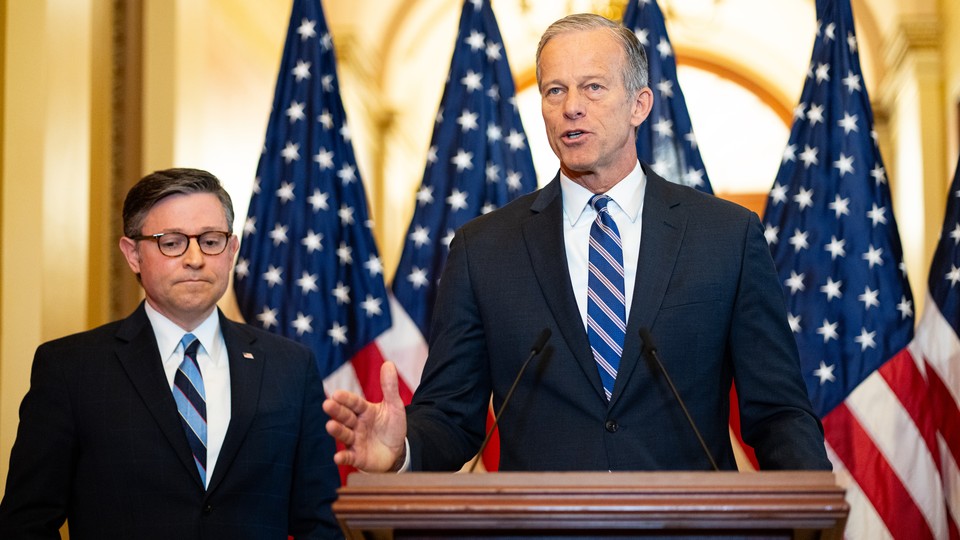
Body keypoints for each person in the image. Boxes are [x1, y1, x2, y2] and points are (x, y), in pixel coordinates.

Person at [324, 13, 831, 473]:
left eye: (592, 88)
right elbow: (452, 416)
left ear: (640, 105)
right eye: (554, 91)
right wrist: (403, 448)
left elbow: (778, 411)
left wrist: (815, 513)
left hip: (688, 528)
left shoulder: (727, 236)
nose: (571, 108)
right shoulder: (484, 249)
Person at [0, 168, 343, 539]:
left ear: (232, 251)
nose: (195, 258)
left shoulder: (290, 367)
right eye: (172, 242)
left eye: (211, 241)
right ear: (133, 254)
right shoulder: (71, 369)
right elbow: (26, 524)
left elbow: (319, 524)